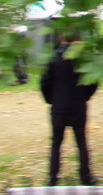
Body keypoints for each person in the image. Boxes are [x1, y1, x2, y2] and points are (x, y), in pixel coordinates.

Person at [40, 31, 98, 186]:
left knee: (56, 143)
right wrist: (85, 96)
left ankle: (52, 178)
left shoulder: (53, 59)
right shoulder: (83, 60)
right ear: (78, 38)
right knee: (81, 142)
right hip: (78, 105)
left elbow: (44, 83)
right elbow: (93, 81)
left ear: (61, 38)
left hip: (59, 107)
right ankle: (85, 176)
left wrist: (52, 100)